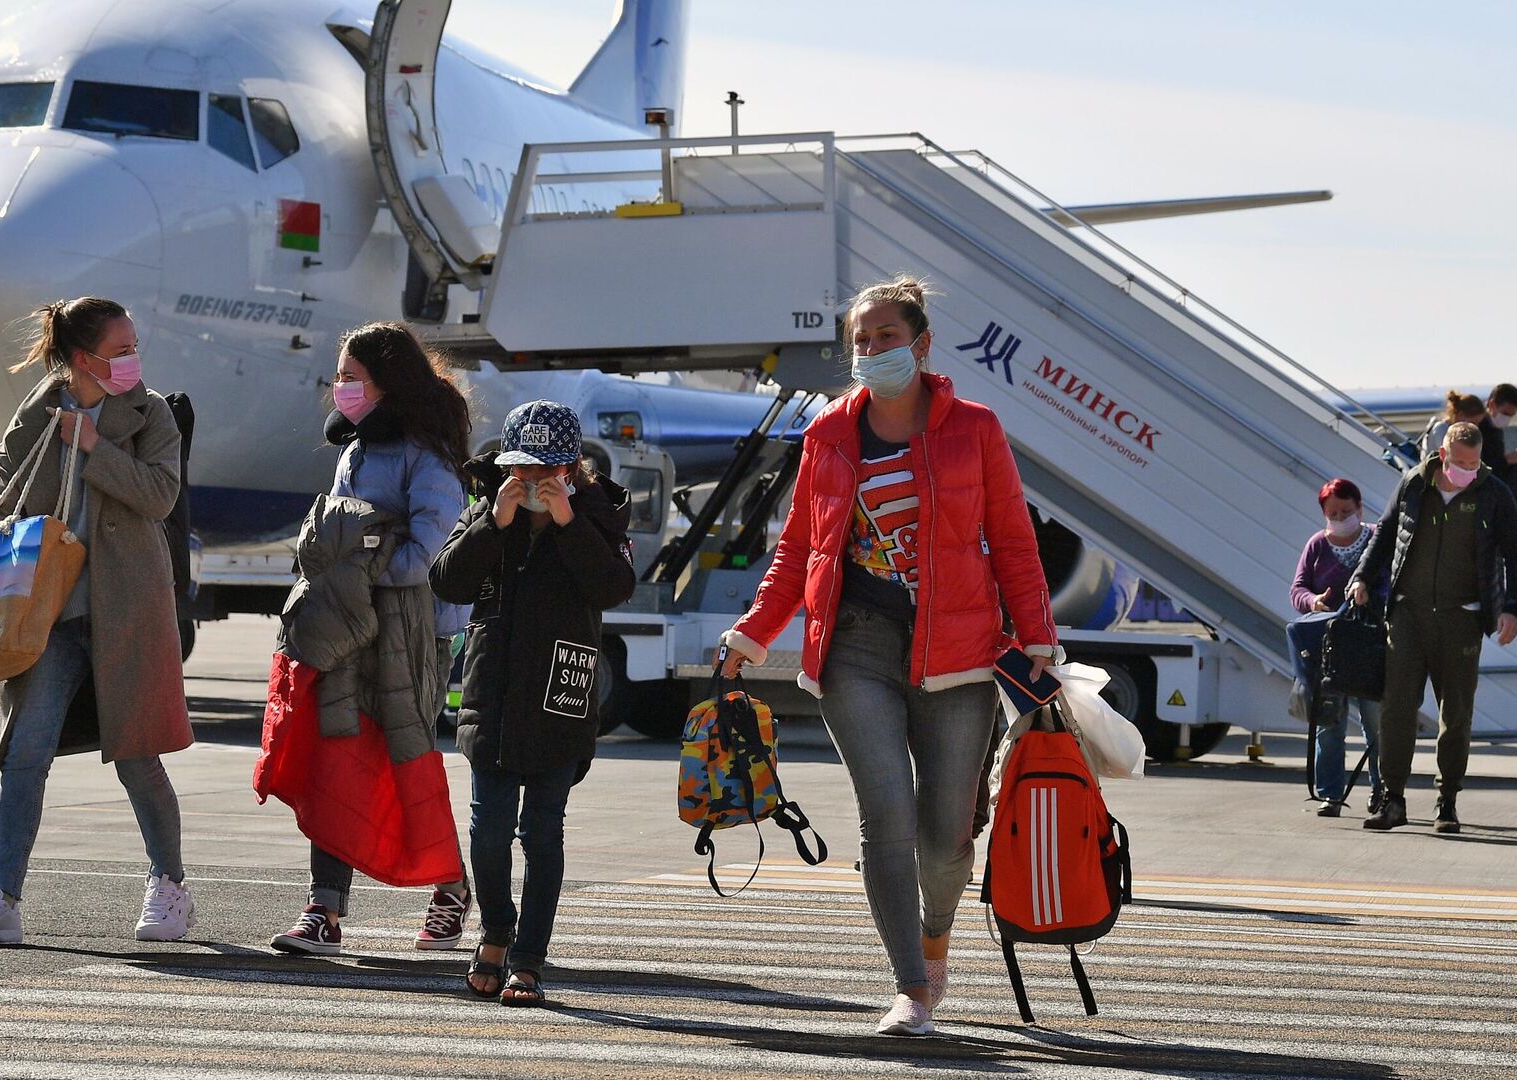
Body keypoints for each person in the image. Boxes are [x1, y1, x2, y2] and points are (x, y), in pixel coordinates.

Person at [716, 276, 1060, 1037]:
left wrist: (1037, 634)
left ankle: (936, 938)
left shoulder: (975, 428)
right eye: (860, 342)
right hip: (855, 651)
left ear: (923, 344)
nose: (871, 352)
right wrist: (754, 630)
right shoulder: (828, 435)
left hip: (961, 652)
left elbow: (1012, 540)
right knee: (887, 817)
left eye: (886, 338)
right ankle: (908, 986)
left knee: (945, 837)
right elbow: (799, 549)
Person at [0, 298, 194, 945]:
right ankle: (2, 897)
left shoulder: (152, 413)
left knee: (137, 757)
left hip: (126, 612)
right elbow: (4, 486)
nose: (135, 358)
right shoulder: (42, 410)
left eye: (134, 346)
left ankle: (170, 887)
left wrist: (96, 448)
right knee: (26, 752)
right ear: (84, 360)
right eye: (122, 349)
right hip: (47, 614)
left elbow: (161, 495)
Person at [269, 322, 475, 955]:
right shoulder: (355, 450)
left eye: (351, 377)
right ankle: (323, 909)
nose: (339, 389)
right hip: (349, 629)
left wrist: (352, 559)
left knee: (405, 760)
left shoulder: (428, 455)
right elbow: (340, 537)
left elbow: (425, 558)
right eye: (340, 376)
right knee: (336, 758)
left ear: (387, 383)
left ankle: (450, 885)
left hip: (412, 637)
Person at [430, 400, 637, 1006]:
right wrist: (495, 522)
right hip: (492, 698)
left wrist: (570, 521)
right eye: (523, 469)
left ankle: (527, 958)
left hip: (560, 698)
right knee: (488, 832)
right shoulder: (491, 509)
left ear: (573, 468)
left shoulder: (598, 516)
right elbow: (446, 580)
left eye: (548, 472)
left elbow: (614, 587)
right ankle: (495, 929)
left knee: (542, 832)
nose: (533, 483)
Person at [1350, 421, 1517, 834]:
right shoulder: (1414, 483)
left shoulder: (1494, 494)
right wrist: (1361, 577)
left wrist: (1512, 609)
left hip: (1462, 618)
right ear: (1443, 454)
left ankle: (1446, 800)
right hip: (1408, 615)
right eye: (1460, 462)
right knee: (1396, 709)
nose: (1467, 470)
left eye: (1474, 462)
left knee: (1456, 715)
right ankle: (1391, 798)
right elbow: (1384, 534)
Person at [1289, 478, 1383, 817]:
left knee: (1376, 723)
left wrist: (1371, 596)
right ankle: (1330, 794)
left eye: (1347, 511)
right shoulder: (1316, 545)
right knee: (1329, 725)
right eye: (1333, 513)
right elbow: (1297, 589)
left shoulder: (1375, 539)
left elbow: (1392, 580)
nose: (1341, 517)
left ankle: (1381, 791)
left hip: (1370, 646)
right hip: (1329, 652)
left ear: (1360, 507)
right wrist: (1313, 601)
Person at [1418, 391, 1485, 462]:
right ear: (1461, 415)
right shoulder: (1441, 429)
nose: (1475, 426)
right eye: (1473, 422)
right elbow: (1450, 457)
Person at [1480, 383, 1517, 475]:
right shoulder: (1478, 429)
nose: (1507, 419)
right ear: (1492, 404)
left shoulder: (1496, 429)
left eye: (1511, 415)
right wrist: (1507, 460)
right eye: (1505, 413)